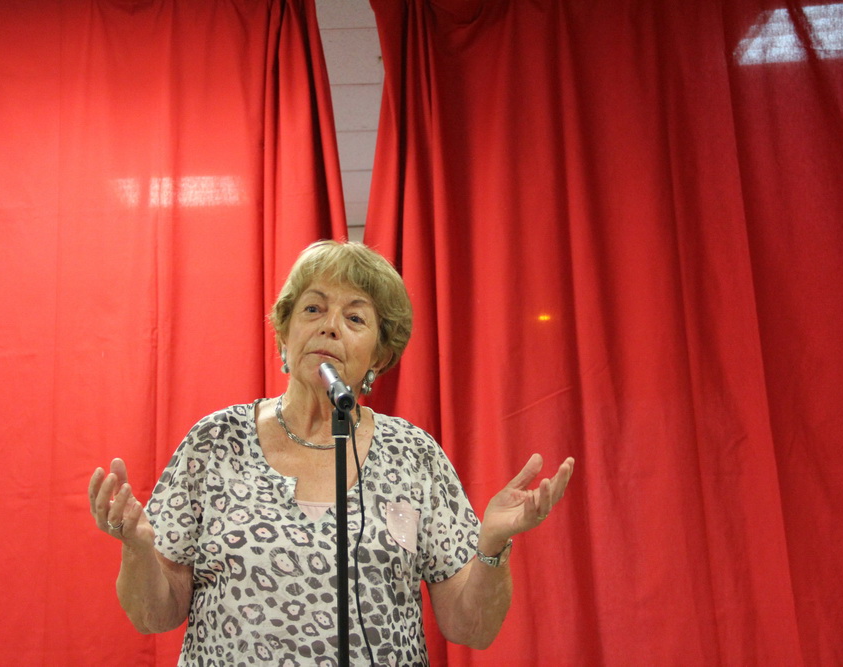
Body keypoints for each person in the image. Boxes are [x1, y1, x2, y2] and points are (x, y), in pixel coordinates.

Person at [88, 240, 574, 666]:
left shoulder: (414, 455)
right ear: (285, 333)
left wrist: (491, 546)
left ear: (380, 355)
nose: (330, 327)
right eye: (313, 309)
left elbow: (472, 629)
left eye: (355, 318)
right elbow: (155, 615)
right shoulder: (216, 442)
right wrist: (138, 549)